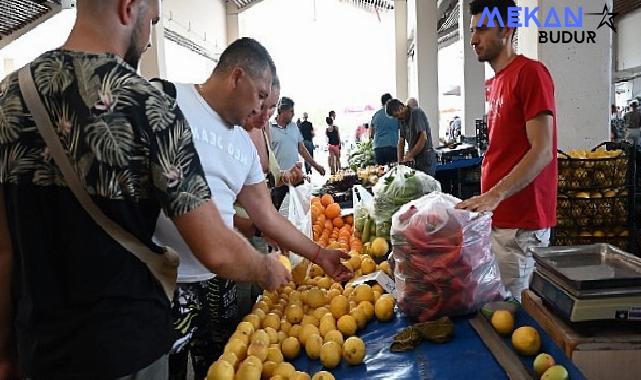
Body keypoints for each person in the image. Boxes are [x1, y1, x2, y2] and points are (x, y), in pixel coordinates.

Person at [0, 2, 291, 379]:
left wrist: (5, 352)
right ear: (128, 8)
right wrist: (266, 267)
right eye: (152, 20)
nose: (150, 38)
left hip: (40, 350)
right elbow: (215, 249)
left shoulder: (9, 99)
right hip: (126, 347)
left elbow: (4, 249)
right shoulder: (152, 107)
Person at [152, 39, 351, 380]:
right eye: (261, 97)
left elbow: (266, 214)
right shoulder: (166, 100)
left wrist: (319, 254)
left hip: (222, 277)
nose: (263, 114)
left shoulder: (242, 143)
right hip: (163, 282)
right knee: (166, 371)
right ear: (237, 77)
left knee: (223, 365)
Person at [457, 0, 558, 301]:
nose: (474, 39)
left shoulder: (530, 73)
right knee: (498, 310)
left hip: (521, 226)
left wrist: (494, 195)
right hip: (500, 221)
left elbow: (542, 151)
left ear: (506, 28)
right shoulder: (496, 83)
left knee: (514, 317)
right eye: (472, 30)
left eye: (482, 29)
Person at [270, 97, 326, 209]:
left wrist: (316, 165)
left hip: (297, 177)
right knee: (276, 211)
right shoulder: (269, 127)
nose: (293, 114)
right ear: (282, 111)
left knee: (302, 209)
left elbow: (302, 149)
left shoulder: (294, 126)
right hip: (279, 181)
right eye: (291, 111)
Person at [386, 99, 436, 176]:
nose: (397, 118)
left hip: (425, 156)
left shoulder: (416, 113)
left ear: (401, 108)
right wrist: (400, 162)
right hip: (414, 158)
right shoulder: (401, 120)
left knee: (426, 185)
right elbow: (401, 141)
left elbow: (423, 138)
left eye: (397, 115)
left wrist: (410, 155)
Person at [370, 93, 399, 165]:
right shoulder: (395, 114)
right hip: (392, 146)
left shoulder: (376, 114)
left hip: (378, 147)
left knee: (381, 171)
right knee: (392, 171)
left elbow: (371, 134)